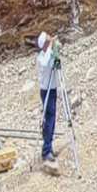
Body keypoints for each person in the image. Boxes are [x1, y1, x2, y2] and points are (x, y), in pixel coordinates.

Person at [36, 32, 60, 162]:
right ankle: (46, 150)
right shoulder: (41, 57)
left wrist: (54, 48)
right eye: (48, 41)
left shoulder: (47, 54)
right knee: (49, 120)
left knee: (52, 119)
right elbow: (46, 64)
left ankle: (49, 148)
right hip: (46, 91)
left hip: (52, 89)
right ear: (45, 45)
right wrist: (51, 46)